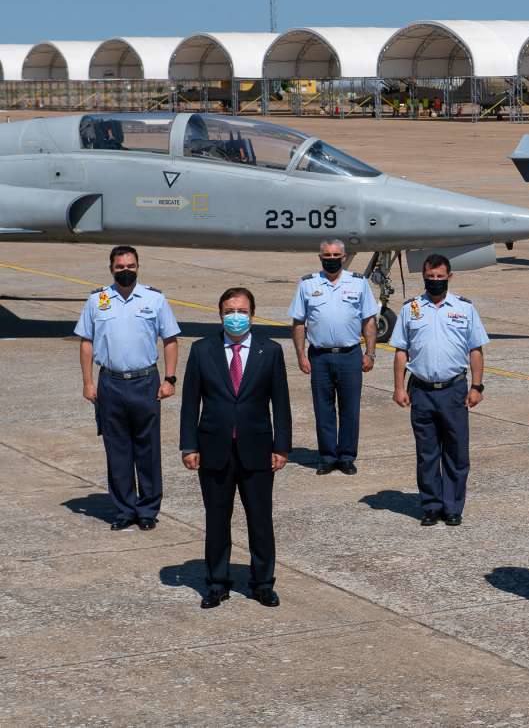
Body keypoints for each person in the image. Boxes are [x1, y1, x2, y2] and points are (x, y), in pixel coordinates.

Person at [180, 288, 291, 610]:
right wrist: (189, 445)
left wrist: (281, 447)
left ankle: (262, 583)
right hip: (213, 449)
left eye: (241, 310)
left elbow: (280, 403)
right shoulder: (203, 351)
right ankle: (216, 583)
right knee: (217, 520)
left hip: (257, 450)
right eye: (229, 310)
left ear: (252, 314)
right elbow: (190, 403)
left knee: (260, 520)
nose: (236, 316)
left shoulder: (269, 351)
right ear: (220, 314)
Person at [74, 246, 180, 532]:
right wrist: (87, 382)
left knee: (148, 448)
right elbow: (86, 341)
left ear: (138, 266)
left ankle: (147, 509)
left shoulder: (154, 299)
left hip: (146, 382)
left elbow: (170, 339)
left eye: (130, 265)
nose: (125, 271)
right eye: (120, 266)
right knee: (117, 449)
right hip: (111, 382)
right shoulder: (97, 300)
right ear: (111, 268)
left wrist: (169, 380)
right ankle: (124, 509)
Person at [391, 254, 489, 527]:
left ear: (449, 277)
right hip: (421, 391)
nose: (435, 282)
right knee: (427, 453)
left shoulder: (464, 308)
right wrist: (399, 387)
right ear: (423, 277)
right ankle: (431, 505)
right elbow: (401, 351)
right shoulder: (410, 309)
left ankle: (453, 506)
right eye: (430, 277)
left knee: (457, 453)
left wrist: (477, 386)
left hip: (453, 389)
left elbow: (476, 350)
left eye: (439, 277)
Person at [289, 239, 378, 476]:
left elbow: (369, 320)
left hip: (350, 355)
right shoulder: (308, 284)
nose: (331, 258)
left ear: (343, 256)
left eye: (335, 255)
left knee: (350, 409)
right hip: (319, 356)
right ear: (320, 258)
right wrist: (300, 355)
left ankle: (347, 456)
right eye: (326, 255)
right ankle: (327, 456)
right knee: (323, 408)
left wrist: (370, 353)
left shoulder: (358, 283)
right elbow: (298, 322)